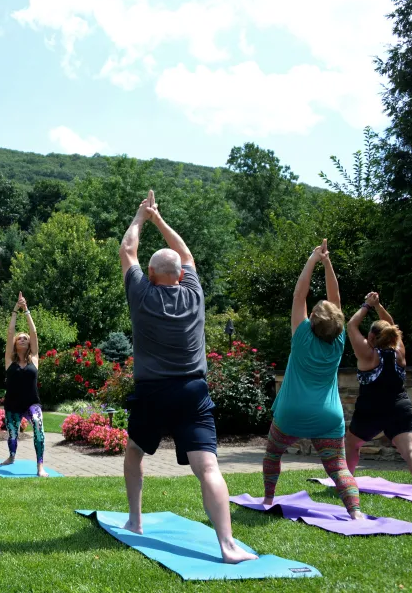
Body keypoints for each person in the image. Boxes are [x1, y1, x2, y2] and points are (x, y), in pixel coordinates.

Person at [119, 190, 257, 564]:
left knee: (134, 452)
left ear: (149, 275)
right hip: (193, 391)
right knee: (207, 467)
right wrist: (160, 220)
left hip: (152, 393)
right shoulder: (194, 293)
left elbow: (127, 251)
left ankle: (135, 520)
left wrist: (140, 217)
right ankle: (228, 545)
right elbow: (187, 255)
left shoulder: (142, 295)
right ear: (181, 274)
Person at [262, 240, 365, 519]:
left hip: (291, 412)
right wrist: (327, 262)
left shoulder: (302, 335)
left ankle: (268, 498)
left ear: (312, 321)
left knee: (273, 455)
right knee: (338, 467)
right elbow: (337, 298)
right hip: (327, 417)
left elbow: (299, 295)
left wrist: (313, 259)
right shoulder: (338, 341)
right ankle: (355, 512)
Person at [345, 292, 412, 496]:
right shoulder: (399, 351)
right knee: (411, 451)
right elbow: (391, 325)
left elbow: (351, 325)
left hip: (370, 409)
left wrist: (367, 305)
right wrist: (379, 306)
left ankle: (345, 485)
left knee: (352, 444)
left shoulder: (367, 353)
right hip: (399, 406)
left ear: (371, 336)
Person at [1, 291, 49, 477]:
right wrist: (15, 309)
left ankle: (40, 466)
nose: (23, 338)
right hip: (12, 404)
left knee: (38, 426)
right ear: (14, 343)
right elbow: (10, 332)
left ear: (29, 345)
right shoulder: (9, 360)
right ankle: (12, 456)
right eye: (19, 338)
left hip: (31, 403)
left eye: (25, 338)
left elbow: (34, 332)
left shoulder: (34, 359)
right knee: (13, 435)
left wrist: (26, 310)